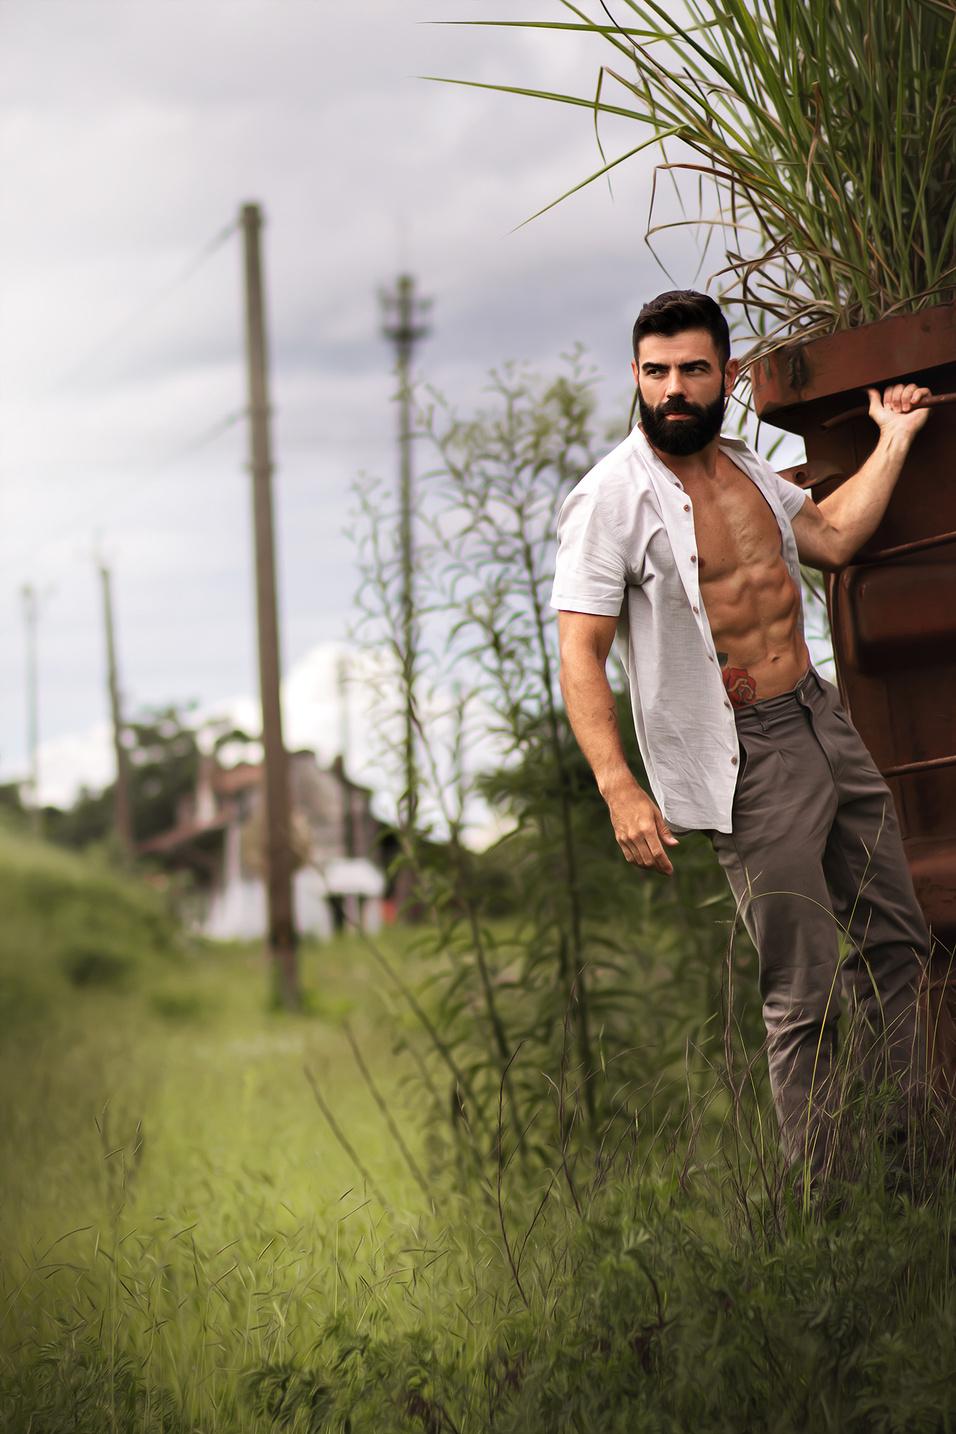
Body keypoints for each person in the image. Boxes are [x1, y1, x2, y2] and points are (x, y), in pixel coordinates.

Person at [551, 288, 932, 1192]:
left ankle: (915, 1167)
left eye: (692, 370)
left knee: (900, 943)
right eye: (655, 372)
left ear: (724, 376)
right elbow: (579, 653)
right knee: (805, 988)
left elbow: (831, 537)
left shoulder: (747, 467)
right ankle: (822, 1206)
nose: (672, 390)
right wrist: (619, 788)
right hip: (744, 757)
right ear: (635, 376)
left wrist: (895, 438)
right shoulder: (609, 500)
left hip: (821, 718)